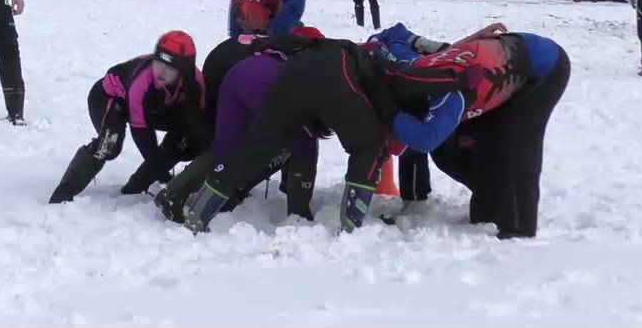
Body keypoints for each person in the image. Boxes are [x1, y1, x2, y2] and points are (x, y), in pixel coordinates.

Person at [181, 35, 478, 234]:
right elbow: (414, 81)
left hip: (293, 73)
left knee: (257, 144)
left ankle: (201, 209)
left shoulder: (355, 47)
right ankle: (351, 225)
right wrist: (457, 79)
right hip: (337, 73)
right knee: (368, 145)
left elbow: (288, 41)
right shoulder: (385, 69)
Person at [369, 24, 571, 239]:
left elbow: (424, 139)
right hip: (496, 62)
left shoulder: (450, 95)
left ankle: (517, 229)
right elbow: (389, 35)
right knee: (455, 149)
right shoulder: (411, 66)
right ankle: (489, 203)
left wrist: (388, 111)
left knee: (515, 145)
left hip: (544, 69)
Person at [154, 28, 327, 224]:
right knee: (286, 141)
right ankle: (296, 212)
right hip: (249, 81)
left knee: (225, 148)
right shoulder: (309, 57)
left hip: (232, 75)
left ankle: (177, 193)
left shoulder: (278, 45)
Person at [48, 31, 206, 203]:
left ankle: (136, 187)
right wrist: (159, 169)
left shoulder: (195, 82)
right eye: (158, 63)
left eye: (169, 67)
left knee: (186, 136)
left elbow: (196, 120)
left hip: (155, 106)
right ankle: (62, 195)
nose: (161, 71)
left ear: (183, 71)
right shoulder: (142, 82)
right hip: (109, 98)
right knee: (109, 145)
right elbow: (142, 133)